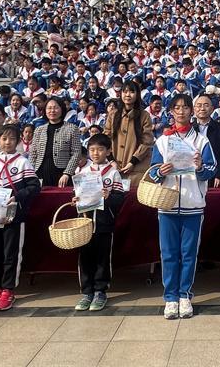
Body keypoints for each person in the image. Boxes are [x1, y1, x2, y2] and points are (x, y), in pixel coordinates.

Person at [147, 94, 216, 319]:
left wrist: (199, 167)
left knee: (188, 253)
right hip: (166, 204)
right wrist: (160, 171)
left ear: (191, 112)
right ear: (171, 112)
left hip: (192, 203)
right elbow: (153, 171)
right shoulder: (162, 140)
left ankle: (185, 295)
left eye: (186, 107)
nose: (182, 111)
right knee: (168, 253)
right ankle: (170, 297)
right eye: (177, 108)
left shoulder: (201, 141)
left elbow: (211, 170)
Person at [0, 124, 41, 311]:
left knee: (11, 253)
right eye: (4, 139)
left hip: (14, 215)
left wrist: (17, 196)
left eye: (12, 139)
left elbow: (34, 187)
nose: (8, 142)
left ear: (18, 141)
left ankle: (8, 290)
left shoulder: (23, 163)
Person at [69, 133, 125, 311]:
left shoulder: (113, 173)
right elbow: (77, 194)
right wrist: (75, 200)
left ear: (108, 151)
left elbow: (120, 198)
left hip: (103, 222)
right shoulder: (82, 172)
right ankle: (87, 292)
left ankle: (100, 291)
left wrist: (109, 197)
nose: (95, 153)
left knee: (102, 257)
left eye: (100, 149)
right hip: (85, 223)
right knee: (85, 257)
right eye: (92, 150)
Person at [104, 80, 154, 188]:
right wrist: (111, 160)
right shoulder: (113, 115)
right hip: (114, 167)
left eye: (132, 91)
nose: (127, 94)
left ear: (137, 94)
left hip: (136, 169)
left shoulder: (144, 115)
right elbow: (105, 139)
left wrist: (133, 162)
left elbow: (147, 142)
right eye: (124, 91)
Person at [32, 99, 82, 187]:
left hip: (62, 175)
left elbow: (76, 153)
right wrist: (31, 174)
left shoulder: (72, 129)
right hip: (40, 173)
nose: (52, 111)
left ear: (62, 109)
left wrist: (67, 173)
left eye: (55, 108)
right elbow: (33, 154)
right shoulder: (39, 130)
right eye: (49, 108)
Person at [192, 94, 220, 187]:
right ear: (194, 109)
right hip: (192, 175)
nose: (202, 108)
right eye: (199, 105)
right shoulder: (190, 128)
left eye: (206, 105)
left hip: (214, 175)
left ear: (212, 108)